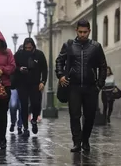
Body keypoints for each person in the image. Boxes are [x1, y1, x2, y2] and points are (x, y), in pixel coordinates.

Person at [55, 19, 107, 152]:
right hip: (74, 86)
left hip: (91, 87)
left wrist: (99, 85)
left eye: (85, 32)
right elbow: (59, 61)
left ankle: (85, 140)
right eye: (80, 32)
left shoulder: (96, 47)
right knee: (74, 115)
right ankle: (77, 142)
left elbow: (103, 66)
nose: (83, 34)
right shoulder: (69, 45)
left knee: (90, 116)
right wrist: (61, 76)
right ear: (76, 31)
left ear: (89, 31)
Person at [14, 37, 47, 137]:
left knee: (36, 104)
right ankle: (25, 127)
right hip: (22, 84)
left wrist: (43, 82)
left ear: (33, 46)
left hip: (35, 84)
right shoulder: (19, 54)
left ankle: (34, 120)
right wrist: (19, 69)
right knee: (23, 106)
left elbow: (44, 69)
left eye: (30, 47)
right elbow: (13, 66)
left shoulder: (39, 54)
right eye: (26, 47)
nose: (28, 49)